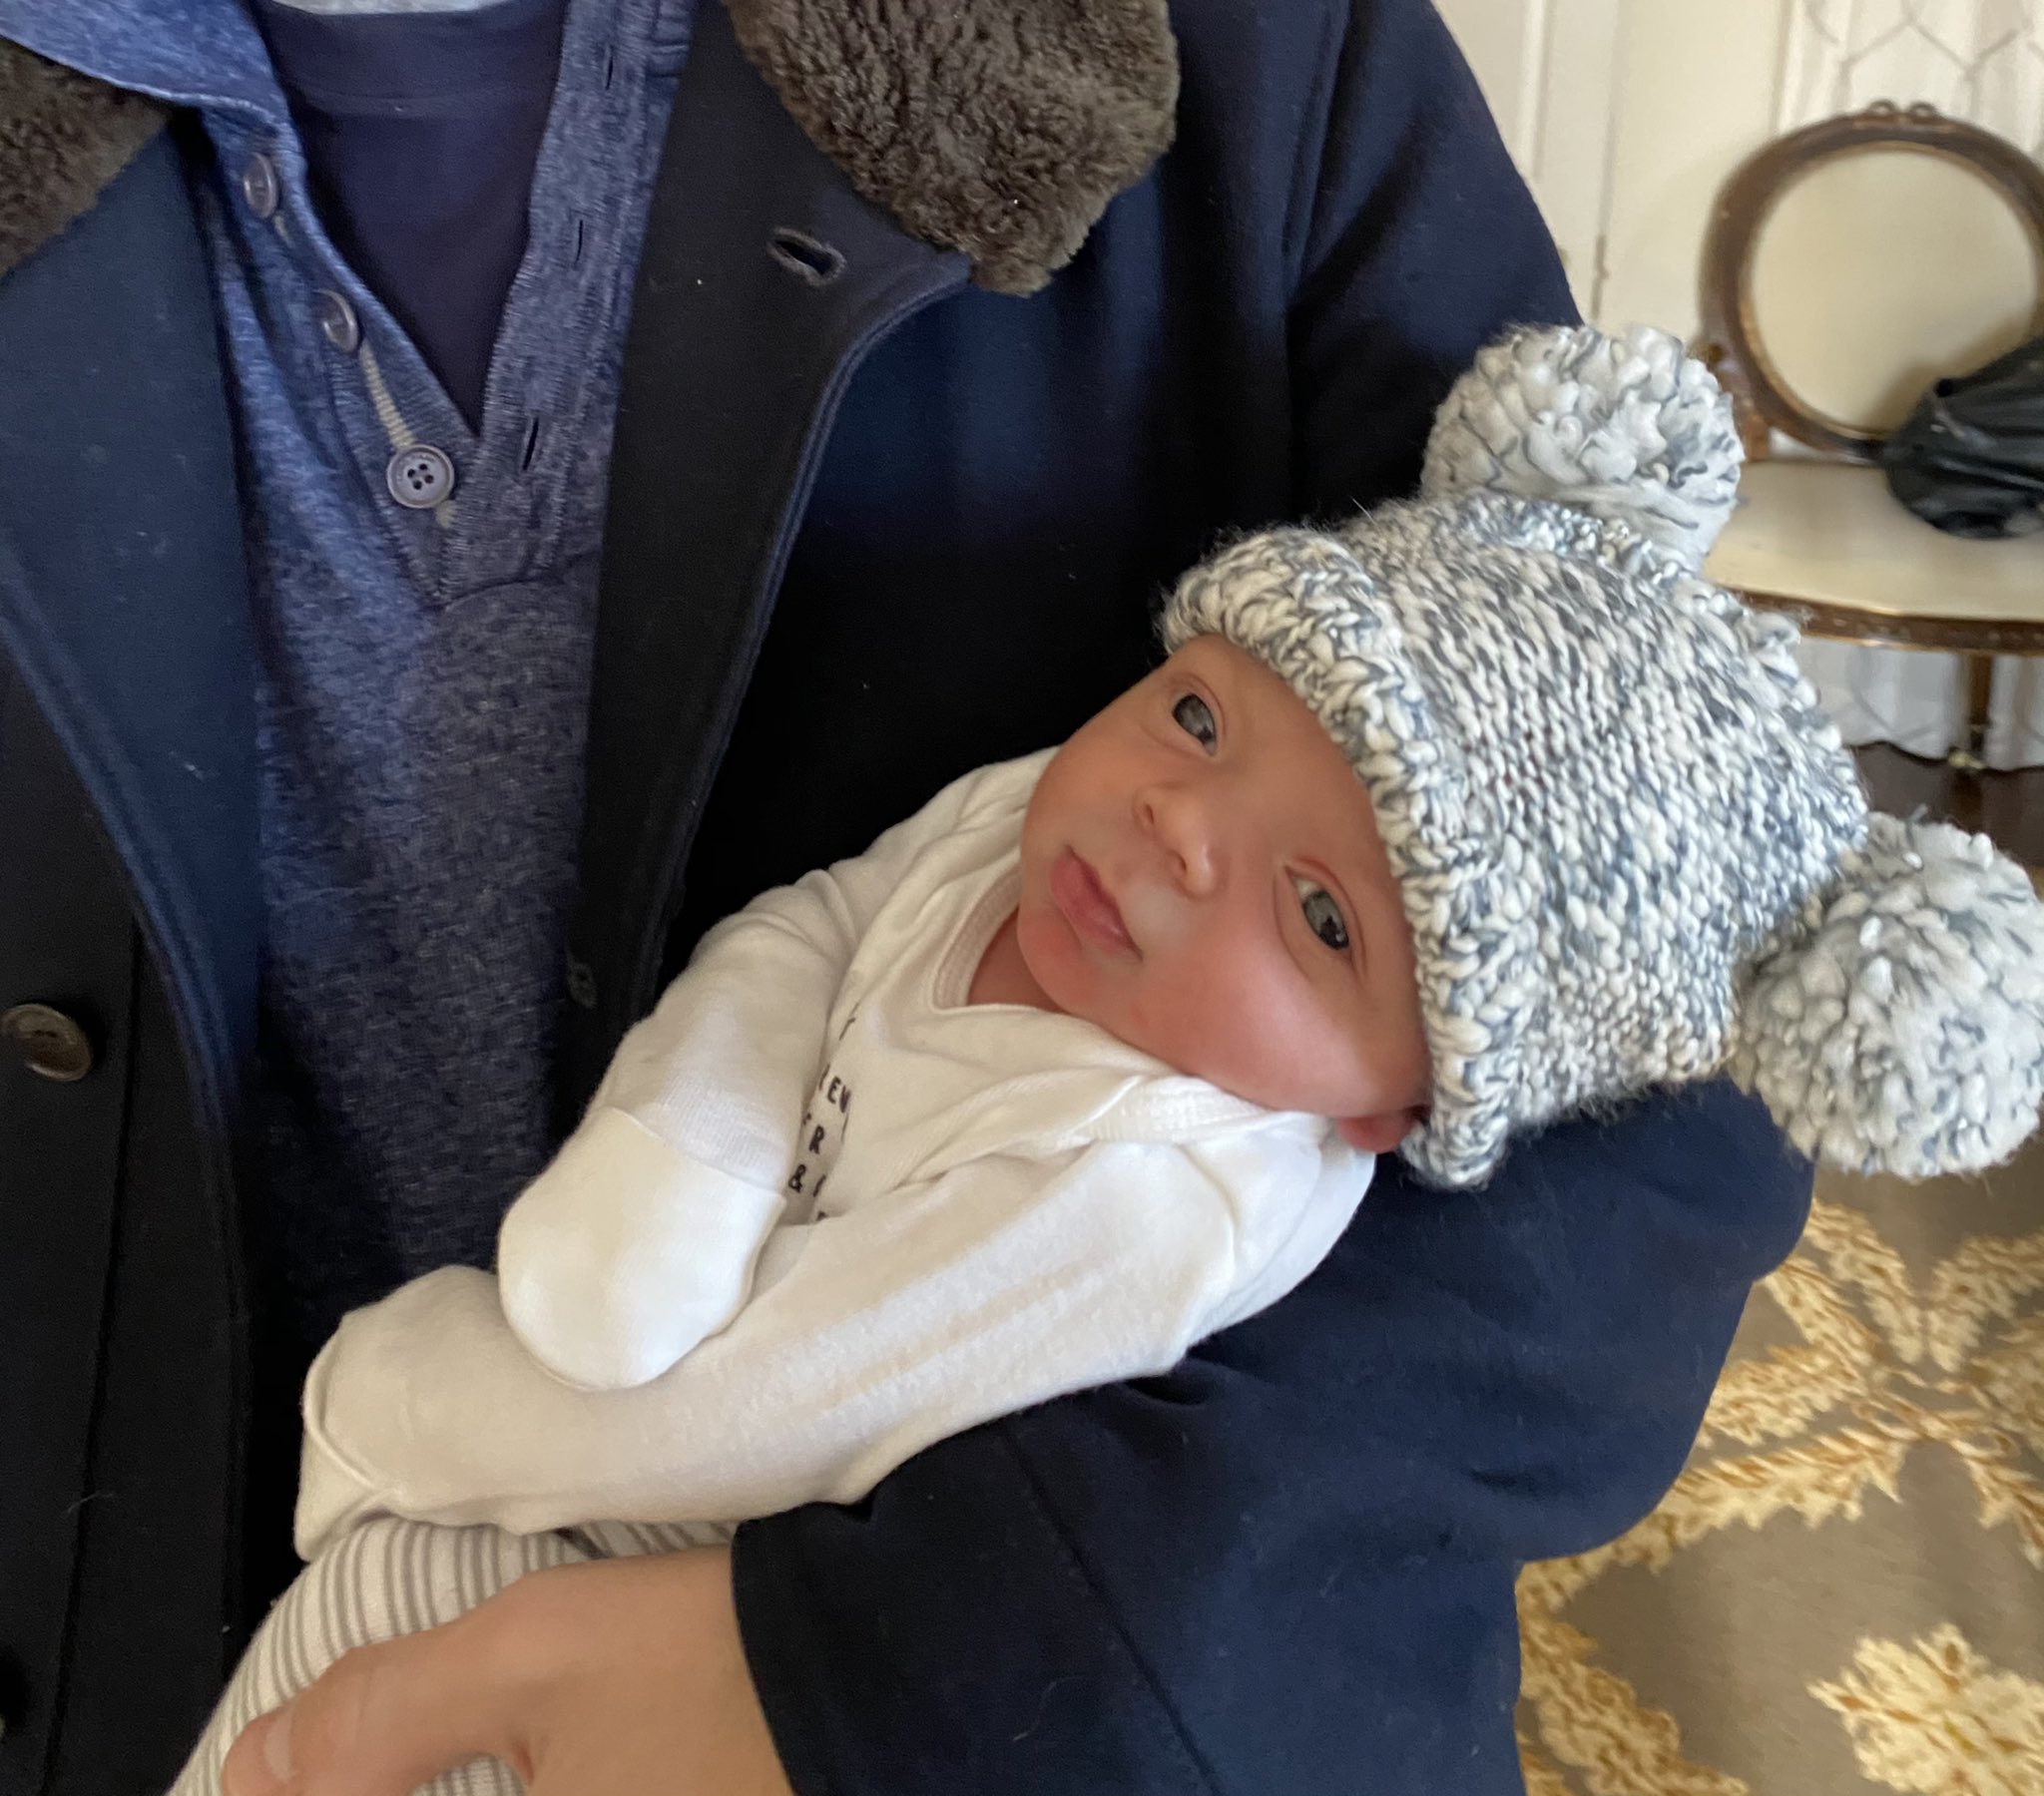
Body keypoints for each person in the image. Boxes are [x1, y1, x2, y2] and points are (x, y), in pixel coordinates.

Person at [0, 5, 1814, 1793]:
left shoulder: (1264, 53)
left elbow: (1674, 1027)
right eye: (1190, 718)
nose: (1174, 824)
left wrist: (928, 1664)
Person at [185, 325, 2044, 1796]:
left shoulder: (1142, 1187)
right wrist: (678, 1163)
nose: (1177, 824)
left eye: (1320, 916)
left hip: (701, 1574)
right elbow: (820, 925)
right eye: (1205, 713)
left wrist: (410, 1410)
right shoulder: (1036, 824)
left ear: (1387, 1111)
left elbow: (773, 1410)